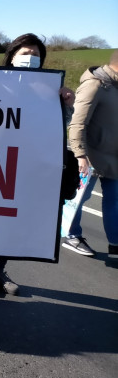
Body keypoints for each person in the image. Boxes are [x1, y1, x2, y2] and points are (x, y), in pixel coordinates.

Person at [0, 33, 75, 295]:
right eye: (25, 54)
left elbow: (55, 128)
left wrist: (65, 105)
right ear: (12, 56)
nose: (31, 59)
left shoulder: (48, 90)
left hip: (26, 166)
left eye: (36, 55)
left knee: (13, 220)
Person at [62, 50, 118, 256]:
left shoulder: (115, 87)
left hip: (112, 157)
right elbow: (77, 122)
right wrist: (80, 155)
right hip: (90, 157)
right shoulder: (95, 84)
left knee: (114, 201)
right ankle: (71, 234)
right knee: (77, 199)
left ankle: (115, 244)